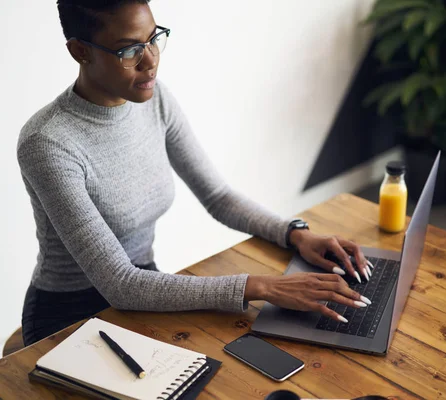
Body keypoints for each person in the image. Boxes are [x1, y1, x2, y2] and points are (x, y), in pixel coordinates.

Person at [17, 0, 373, 347]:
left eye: (154, 40)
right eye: (129, 51)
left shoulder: (154, 100)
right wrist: (263, 287)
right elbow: (121, 284)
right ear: (81, 51)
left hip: (146, 287)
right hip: (68, 319)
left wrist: (295, 234)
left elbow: (218, 196)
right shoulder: (48, 142)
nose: (151, 62)